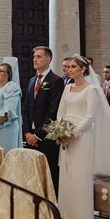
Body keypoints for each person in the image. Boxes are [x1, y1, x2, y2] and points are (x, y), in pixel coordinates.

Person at [56, 55, 99, 219]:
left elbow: (90, 116)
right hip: (65, 136)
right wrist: (60, 130)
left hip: (82, 138)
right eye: (69, 66)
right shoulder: (67, 87)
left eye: (74, 66)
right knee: (66, 176)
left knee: (80, 177)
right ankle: (66, 218)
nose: (70, 69)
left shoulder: (91, 90)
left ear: (83, 69)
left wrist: (73, 133)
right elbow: (60, 111)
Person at [22, 46, 65, 194]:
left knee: (50, 172)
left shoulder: (56, 81)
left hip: (46, 136)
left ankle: (51, 205)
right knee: (32, 173)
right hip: (30, 136)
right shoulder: (32, 80)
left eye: (39, 56)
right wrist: (27, 132)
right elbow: (26, 108)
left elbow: (53, 112)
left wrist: (37, 135)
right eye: (34, 56)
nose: (34, 59)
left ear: (48, 59)